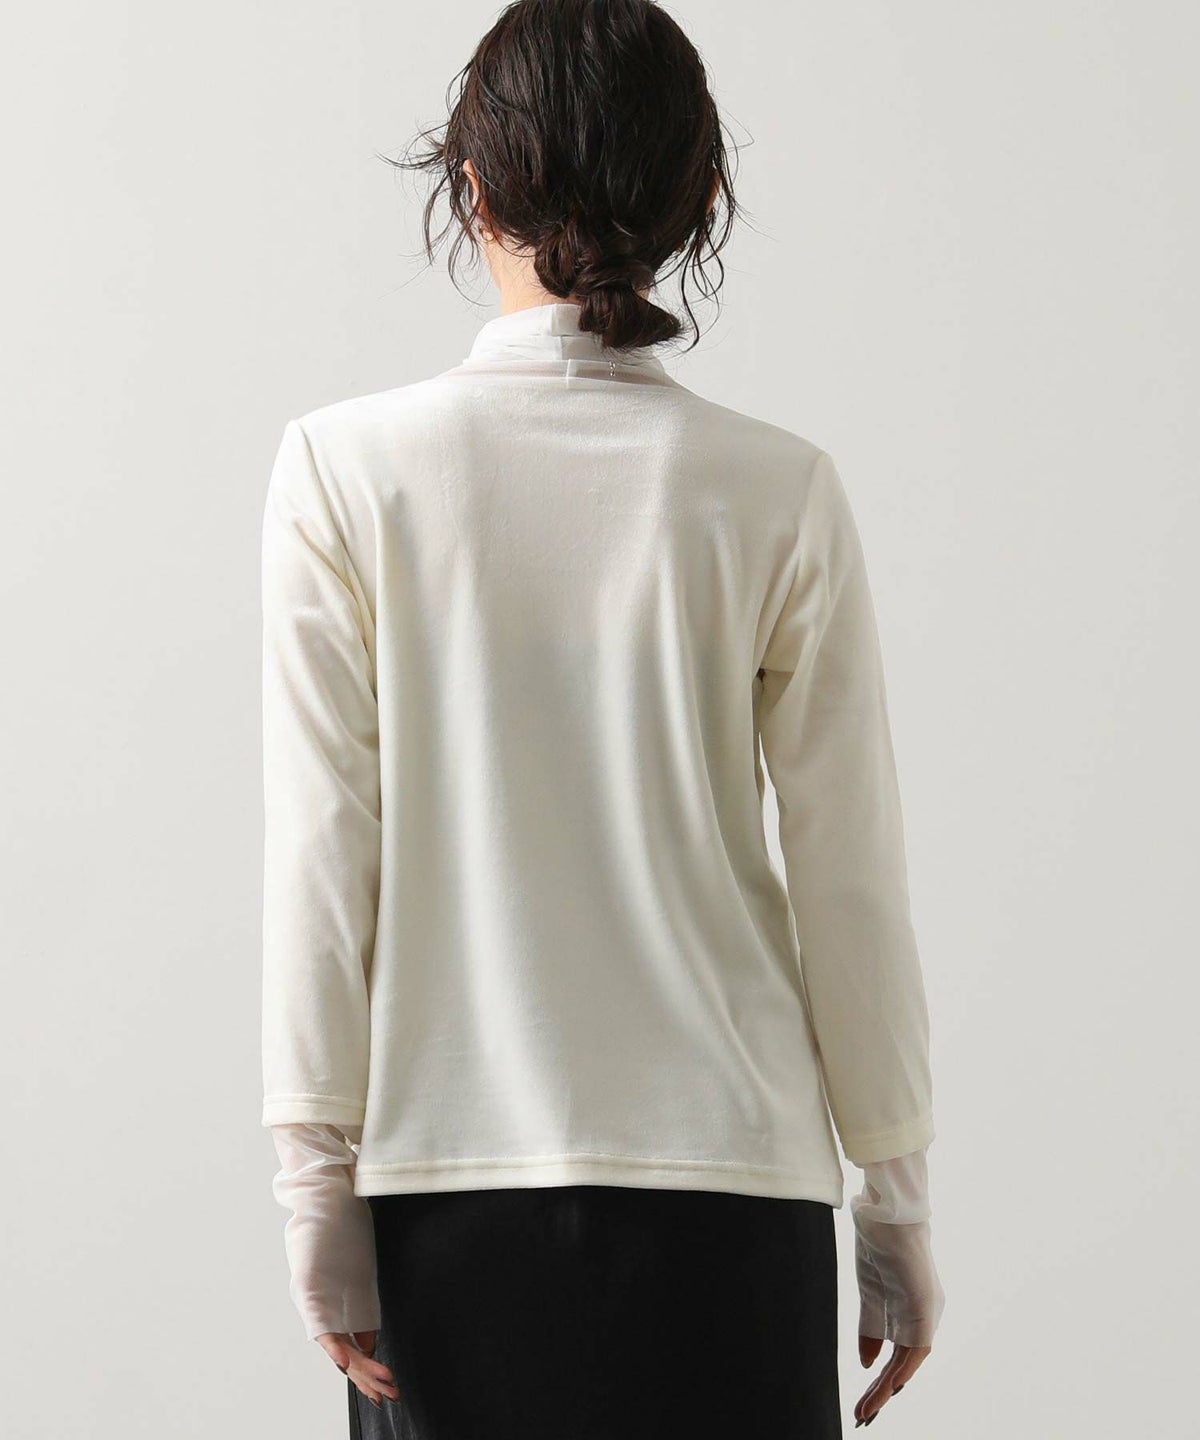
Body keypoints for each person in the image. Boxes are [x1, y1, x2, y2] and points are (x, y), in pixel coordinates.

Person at [260, 1, 945, 1435]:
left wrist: (314, 1182)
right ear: (700, 196)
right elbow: (852, 876)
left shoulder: (343, 470)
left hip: (443, 1197)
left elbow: (326, 856)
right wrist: (895, 1197)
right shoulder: (776, 489)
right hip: (736, 1199)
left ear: (472, 188)